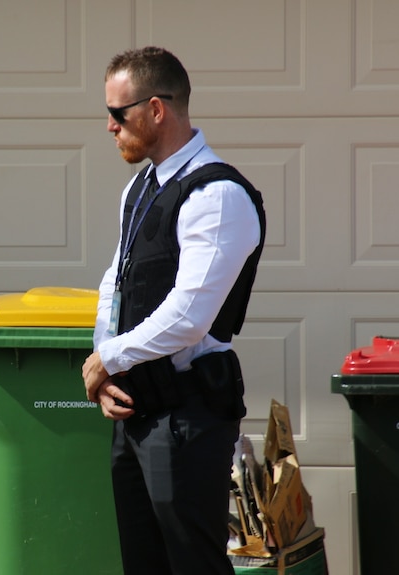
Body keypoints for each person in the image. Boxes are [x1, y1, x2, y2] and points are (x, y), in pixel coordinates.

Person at [81, 47, 266, 575]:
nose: (110, 127)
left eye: (118, 114)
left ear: (156, 109)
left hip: (187, 419)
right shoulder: (141, 188)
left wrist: (107, 358)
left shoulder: (217, 195)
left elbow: (189, 317)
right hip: (137, 412)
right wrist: (104, 363)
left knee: (193, 565)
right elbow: (114, 284)